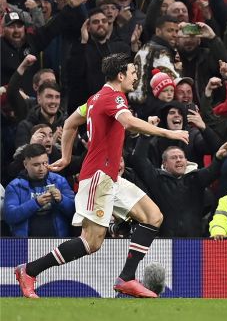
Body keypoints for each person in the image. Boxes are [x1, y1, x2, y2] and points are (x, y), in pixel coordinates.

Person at [14, 53, 189, 299]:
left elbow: (71, 123)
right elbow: (127, 122)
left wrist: (65, 157)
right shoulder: (112, 97)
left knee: (153, 216)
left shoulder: (95, 99)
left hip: (110, 178)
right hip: (98, 178)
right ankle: (29, 271)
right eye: (132, 72)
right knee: (90, 243)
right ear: (120, 75)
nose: (135, 76)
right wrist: (168, 134)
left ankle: (126, 277)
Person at [3, 144, 75, 237]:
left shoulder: (59, 181)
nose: (41, 168)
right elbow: (10, 216)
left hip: (58, 241)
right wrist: (36, 203)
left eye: (45, 163)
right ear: (25, 164)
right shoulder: (15, 186)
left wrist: (62, 199)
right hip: (25, 244)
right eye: (36, 165)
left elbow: (74, 212)